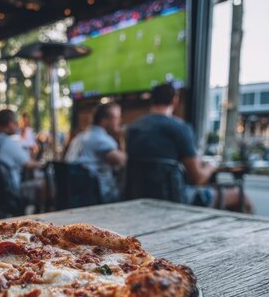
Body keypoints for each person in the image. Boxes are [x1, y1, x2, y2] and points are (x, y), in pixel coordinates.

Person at [126, 83, 252, 211]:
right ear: (175, 101)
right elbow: (198, 178)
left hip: (137, 198)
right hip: (175, 199)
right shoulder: (180, 128)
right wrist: (211, 166)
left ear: (151, 100)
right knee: (241, 196)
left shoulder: (133, 128)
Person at [65, 103, 126, 203]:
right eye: (117, 117)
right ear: (104, 120)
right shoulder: (101, 138)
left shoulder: (80, 137)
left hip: (76, 196)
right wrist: (122, 137)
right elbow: (122, 161)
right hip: (99, 197)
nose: (120, 121)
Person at [0, 109, 44, 199]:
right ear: (10, 123)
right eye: (15, 123)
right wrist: (42, 164)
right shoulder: (9, 143)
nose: (17, 126)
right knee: (42, 183)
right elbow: (28, 163)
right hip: (11, 191)